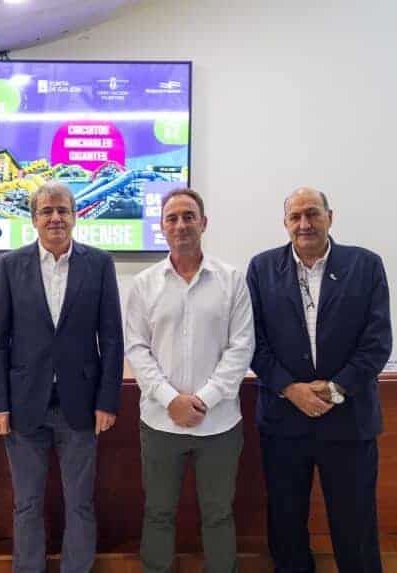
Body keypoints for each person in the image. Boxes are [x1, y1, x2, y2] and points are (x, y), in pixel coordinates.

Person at [246, 187, 392, 572]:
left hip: (348, 420)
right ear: (285, 223)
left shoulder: (365, 266)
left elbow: (377, 342)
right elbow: (253, 342)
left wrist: (334, 388)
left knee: (356, 526)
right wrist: (291, 389)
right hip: (284, 421)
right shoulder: (261, 269)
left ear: (330, 216)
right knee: (286, 526)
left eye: (312, 213)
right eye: (295, 217)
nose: (304, 224)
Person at [0, 181, 124, 572]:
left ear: (75, 216)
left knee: (80, 503)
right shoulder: (10, 266)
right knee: (26, 503)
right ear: (33, 219)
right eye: (46, 211)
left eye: (63, 210)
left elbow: (111, 338)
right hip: (24, 405)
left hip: (81, 405)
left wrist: (107, 400)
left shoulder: (99, 264)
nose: (55, 218)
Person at [125, 188, 254, 573]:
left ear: (203, 223)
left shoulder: (231, 280)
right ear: (162, 226)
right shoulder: (144, 284)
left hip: (219, 424)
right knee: (158, 513)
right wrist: (171, 400)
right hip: (160, 423)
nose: (180, 225)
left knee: (218, 514)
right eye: (172, 218)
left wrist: (203, 400)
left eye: (188, 216)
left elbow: (241, 347)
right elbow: (137, 349)